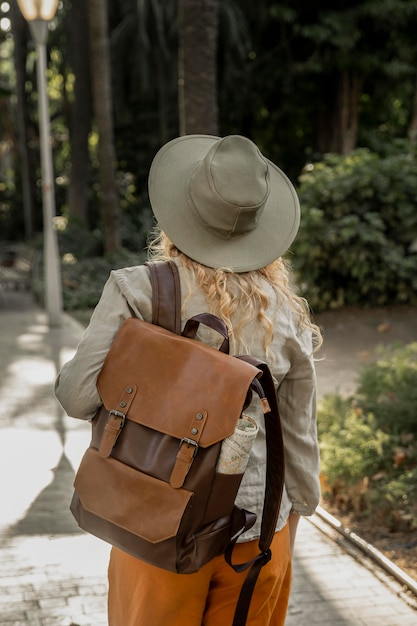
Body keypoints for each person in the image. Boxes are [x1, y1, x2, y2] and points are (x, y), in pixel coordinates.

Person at [55, 134, 322, 626]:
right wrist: (288, 524)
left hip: (153, 527)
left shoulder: (137, 291)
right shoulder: (285, 315)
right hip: (257, 537)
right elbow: (300, 436)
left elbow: (76, 396)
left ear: (182, 213)